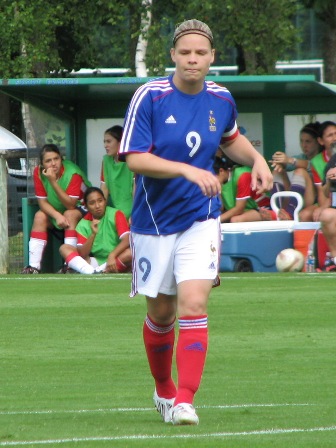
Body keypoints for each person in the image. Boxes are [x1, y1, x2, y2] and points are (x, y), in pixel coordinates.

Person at [118, 19, 273, 426]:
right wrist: (186, 170)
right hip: (152, 221)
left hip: (201, 217)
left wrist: (256, 159)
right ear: (172, 54)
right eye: (185, 52)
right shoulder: (149, 96)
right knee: (162, 313)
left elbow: (230, 138)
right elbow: (134, 157)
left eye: (200, 53)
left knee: (194, 303)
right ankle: (164, 390)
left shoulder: (221, 98)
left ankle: (185, 399)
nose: (192, 59)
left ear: (211, 58)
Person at [22, 144, 91, 274]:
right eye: (48, 161)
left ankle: (70, 265)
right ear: (42, 164)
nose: (53, 164)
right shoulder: (38, 172)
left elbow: (70, 205)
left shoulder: (73, 173)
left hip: (83, 209)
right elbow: (42, 202)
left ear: (61, 159)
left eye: (56, 159)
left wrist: (53, 181)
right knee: (39, 216)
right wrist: (56, 216)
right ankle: (33, 267)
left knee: (69, 214)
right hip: (60, 212)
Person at [59, 187, 132, 274]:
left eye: (100, 201)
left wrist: (112, 255)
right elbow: (82, 254)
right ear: (86, 206)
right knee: (64, 248)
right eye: (92, 203)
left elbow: (127, 240)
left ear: (105, 201)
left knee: (130, 253)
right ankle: (92, 272)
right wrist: (93, 234)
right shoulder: (83, 224)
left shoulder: (116, 214)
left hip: (116, 257)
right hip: (96, 261)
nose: (97, 206)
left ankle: (96, 271)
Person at [263, 122, 321, 220]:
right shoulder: (301, 156)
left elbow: (309, 164)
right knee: (278, 171)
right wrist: (281, 163)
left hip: (314, 201)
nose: (304, 145)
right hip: (298, 200)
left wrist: (290, 160)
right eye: (301, 141)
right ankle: (277, 211)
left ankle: (290, 214)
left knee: (300, 171)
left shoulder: (321, 158)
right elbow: (289, 164)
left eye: (308, 141)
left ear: (318, 142)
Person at [213, 154, 271, 223]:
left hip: (263, 208)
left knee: (235, 220)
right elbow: (221, 209)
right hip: (245, 211)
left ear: (221, 171)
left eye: (212, 176)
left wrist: (215, 221)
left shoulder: (241, 175)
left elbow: (239, 209)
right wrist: (218, 192)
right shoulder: (220, 182)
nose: (210, 180)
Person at [299, 120, 336, 222]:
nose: (334, 138)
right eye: (330, 135)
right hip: (328, 200)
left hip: (332, 202)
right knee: (304, 215)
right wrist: (323, 207)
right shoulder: (316, 161)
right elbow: (322, 193)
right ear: (321, 141)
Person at [100, 125, 134, 220]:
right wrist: (100, 214)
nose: (105, 145)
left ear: (120, 142)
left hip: (133, 212)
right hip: (115, 212)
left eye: (109, 141)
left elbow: (136, 189)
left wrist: (134, 214)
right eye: (104, 142)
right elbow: (104, 188)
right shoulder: (106, 160)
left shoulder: (132, 159)